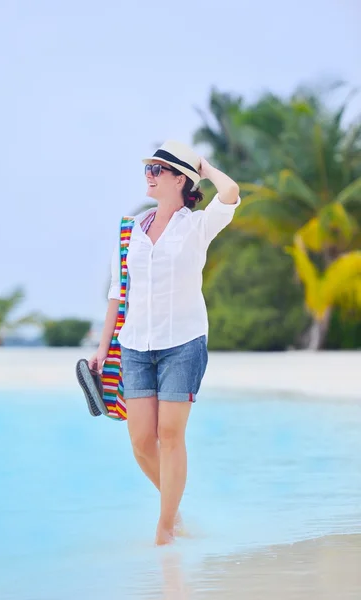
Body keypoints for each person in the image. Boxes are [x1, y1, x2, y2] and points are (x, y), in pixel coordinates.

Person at [89, 140, 240, 546]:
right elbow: (117, 294)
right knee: (141, 442)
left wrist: (204, 167)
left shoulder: (196, 226)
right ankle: (175, 512)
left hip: (183, 343)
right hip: (135, 345)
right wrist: (104, 348)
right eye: (148, 169)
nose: (149, 176)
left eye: (158, 169)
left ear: (180, 179)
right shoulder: (129, 230)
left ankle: (165, 528)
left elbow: (230, 194)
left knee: (171, 435)